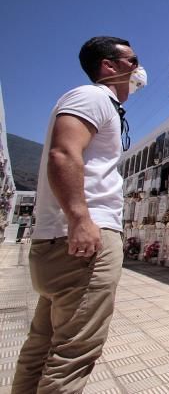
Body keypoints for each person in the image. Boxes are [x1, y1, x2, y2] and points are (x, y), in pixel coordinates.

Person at [12, 36, 146, 393]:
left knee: (42, 346)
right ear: (109, 66)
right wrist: (80, 219)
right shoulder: (92, 97)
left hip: (62, 241)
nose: (138, 69)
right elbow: (62, 154)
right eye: (133, 61)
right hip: (84, 240)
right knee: (74, 355)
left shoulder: (102, 105)